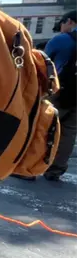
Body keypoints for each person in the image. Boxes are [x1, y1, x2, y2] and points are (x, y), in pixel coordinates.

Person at [42, 10, 77, 181]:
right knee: (68, 132)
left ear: (69, 21)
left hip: (59, 91)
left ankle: (29, 167)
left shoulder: (62, 39)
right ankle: (55, 170)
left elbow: (42, 63)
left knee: (43, 126)